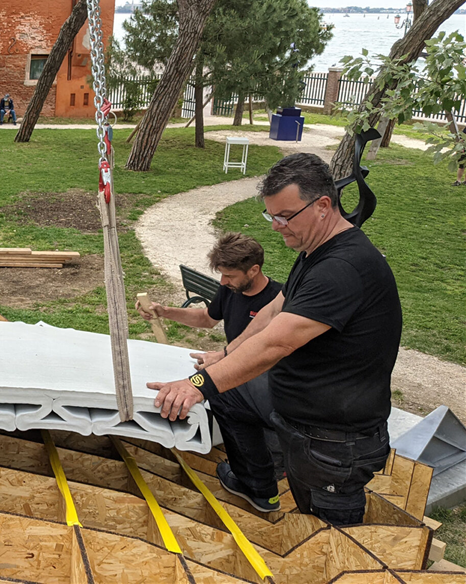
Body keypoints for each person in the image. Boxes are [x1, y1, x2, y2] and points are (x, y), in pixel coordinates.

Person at [148, 153, 402, 526]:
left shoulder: (342, 269)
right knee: (231, 394)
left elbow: (275, 344)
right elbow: (272, 312)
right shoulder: (313, 251)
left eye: (284, 216)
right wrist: (226, 354)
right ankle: (255, 483)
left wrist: (197, 385)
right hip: (301, 405)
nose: (275, 226)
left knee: (327, 533)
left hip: (332, 436)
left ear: (323, 206)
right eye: (272, 216)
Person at [137, 232, 284, 512]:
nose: (223, 282)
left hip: (269, 382)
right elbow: (207, 319)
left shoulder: (277, 300)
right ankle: (262, 472)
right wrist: (164, 311)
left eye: (229, 276)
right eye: (221, 275)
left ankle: (264, 479)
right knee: (218, 392)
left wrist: (221, 365)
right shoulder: (231, 290)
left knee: (223, 397)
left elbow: (267, 350)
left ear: (254, 270)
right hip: (237, 369)